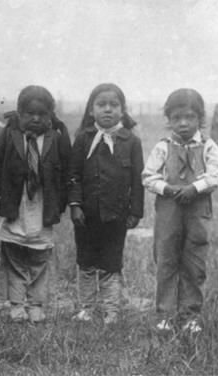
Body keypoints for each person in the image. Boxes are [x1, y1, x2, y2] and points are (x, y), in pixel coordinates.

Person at [142, 88, 218, 333]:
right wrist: (166, 188)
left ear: (200, 118)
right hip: (169, 210)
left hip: (198, 210)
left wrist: (194, 188)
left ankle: (191, 315)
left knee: (194, 261)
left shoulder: (209, 146)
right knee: (166, 259)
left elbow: (216, 175)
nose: (183, 123)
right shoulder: (163, 147)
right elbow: (148, 176)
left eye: (189, 117)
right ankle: (165, 314)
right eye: (176, 118)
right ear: (169, 120)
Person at [0, 86, 71, 323]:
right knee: (13, 255)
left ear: (50, 115)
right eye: (29, 113)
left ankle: (36, 304)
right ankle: (16, 305)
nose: (35, 119)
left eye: (42, 114)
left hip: (43, 205)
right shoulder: (10, 135)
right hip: (16, 203)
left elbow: (66, 172)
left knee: (39, 256)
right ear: (19, 113)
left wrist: (61, 203)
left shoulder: (56, 138)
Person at [68, 83, 144, 324]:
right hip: (86, 215)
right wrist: (75, 205)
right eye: (101, 105)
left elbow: (137, 180)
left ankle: (112, 311)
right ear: (91, 110)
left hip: (116, 216)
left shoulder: (131, 141)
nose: (108, 110)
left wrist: (135, 211)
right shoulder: (83, 139)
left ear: (123, 110)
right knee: (86, 261)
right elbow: (74, 175)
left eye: (114, 105)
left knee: (111, 263)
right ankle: (86, 309)